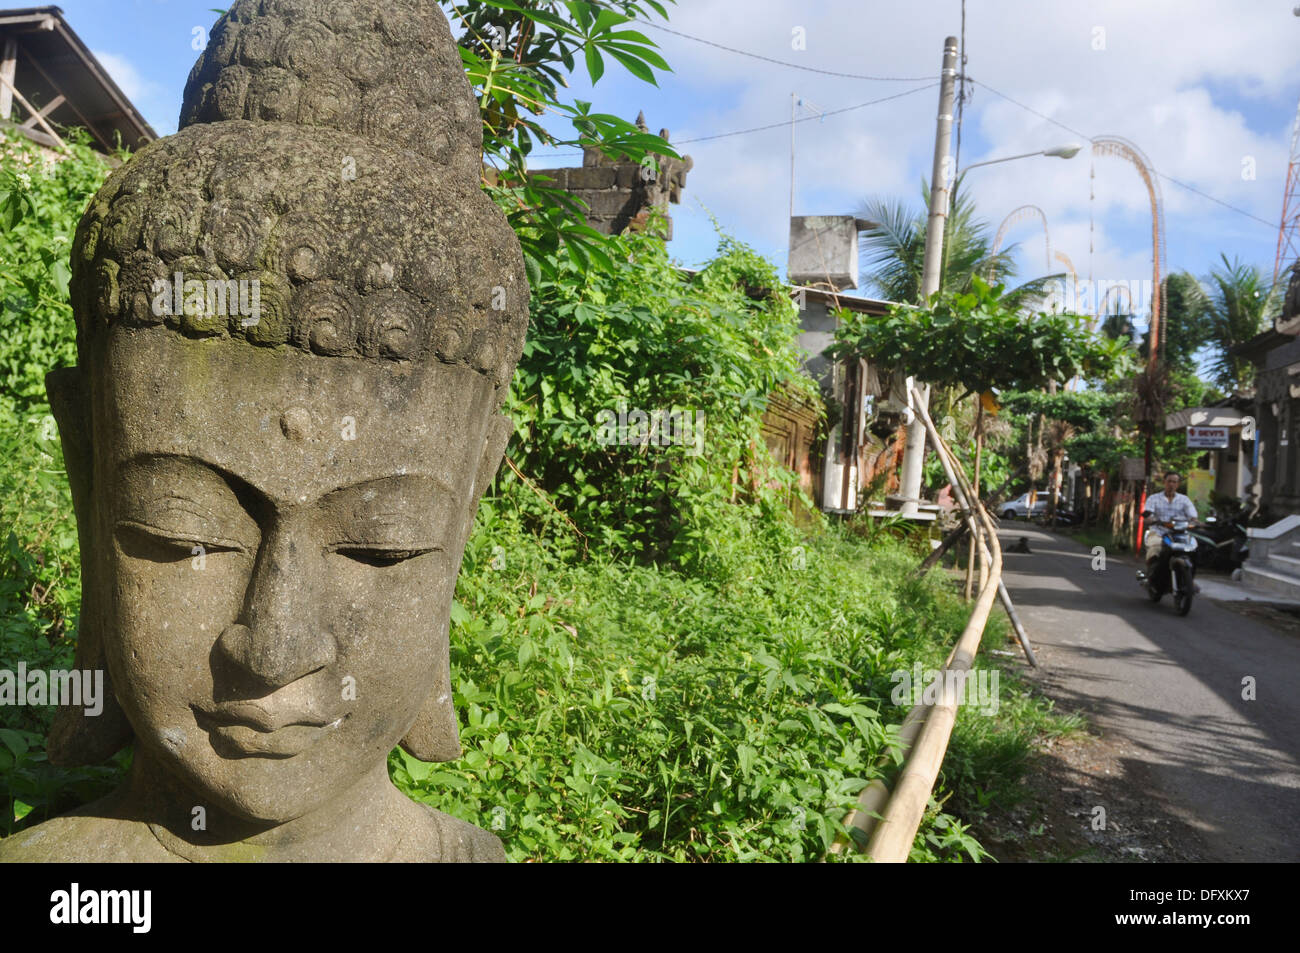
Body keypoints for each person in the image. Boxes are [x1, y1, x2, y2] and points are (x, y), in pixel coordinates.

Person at [1143, 471, 1198, 566]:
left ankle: (1189, 576)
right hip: (1158, 532)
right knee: (1155, 549)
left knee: (1194, 548)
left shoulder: (1184, 500)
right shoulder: (1153, 498)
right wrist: (1150, 519)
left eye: (1174, 482)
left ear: (1178, 484)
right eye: (1169, 481)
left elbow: (1193, 517)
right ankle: (1151, 574)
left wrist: (1196, 523)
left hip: (1180, 535)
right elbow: (1147, 514)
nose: (1171, 484)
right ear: (1164, 482)